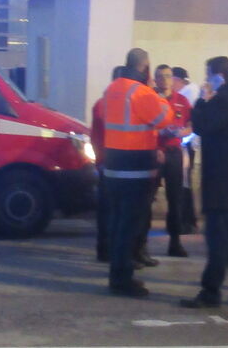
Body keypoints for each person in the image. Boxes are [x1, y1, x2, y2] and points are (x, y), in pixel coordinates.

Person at [180, 56, 228, 308]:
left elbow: (202, 125)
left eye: (208, 75)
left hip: (224, 184)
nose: (206, 80)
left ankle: (211, 292)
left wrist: (201, 100)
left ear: (218, 76)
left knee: (219, 240)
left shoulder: (225, 99)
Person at [99, 48, 174, 298]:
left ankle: (117, 273)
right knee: (130, 226)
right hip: (135, 168)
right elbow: (165, 118)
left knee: (118, 223)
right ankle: (122, 279)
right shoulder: (140, 92)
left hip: (113, 167)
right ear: (145, 67)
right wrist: (158, 94)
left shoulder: (111, 89)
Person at [154, 64, 193, 257]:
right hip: (155, 153)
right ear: (155, 79)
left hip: (175, 153)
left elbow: (191, 123)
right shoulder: (151, 99)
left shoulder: (182, 100)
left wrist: (183, 132)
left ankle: (175, 243)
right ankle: (140, 246)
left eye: (168, 76)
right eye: (160, 76)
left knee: (175, 199)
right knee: (147, 198)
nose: (165, 80)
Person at [91, 65, 126, 263]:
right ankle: (106, 248)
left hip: (109, 162)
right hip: (111, 163)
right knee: (109, 209)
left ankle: (106, 248)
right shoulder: (107, 105)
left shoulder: (103, 103)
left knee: (109, 209)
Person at [173, 66, 200, 234]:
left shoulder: (186, 96)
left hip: (184, 145)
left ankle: (185, 221)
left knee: (182, 182)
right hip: (187, 144)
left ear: (179, 80)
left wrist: (180, 137)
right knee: (185, 182)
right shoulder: (190, 93)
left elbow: (189, 123)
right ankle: (189, 220)